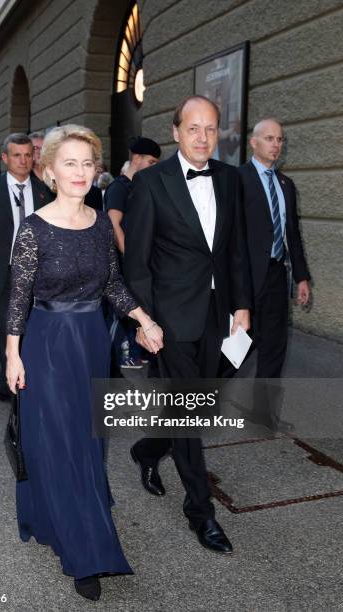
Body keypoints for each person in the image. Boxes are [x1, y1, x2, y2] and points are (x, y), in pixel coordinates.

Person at [5, 125, 163, 601]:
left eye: (87, 163)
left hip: (92, 341)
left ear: (97, 171)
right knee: (61, 444)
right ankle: (84, 551)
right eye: (69, 163)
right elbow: (18, 298)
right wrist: (13, 354)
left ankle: (57, 512)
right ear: (49, 170)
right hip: (48, 345)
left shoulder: (97, 223)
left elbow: (112, 285)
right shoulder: (33, 228)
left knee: (89, 441)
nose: (79, 171)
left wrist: (144, 319)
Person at [124, 95, 251, 554]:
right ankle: (202, 512)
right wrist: (144, 319)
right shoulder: (152, 182)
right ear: (175, 132)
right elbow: (136, 261)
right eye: (194, 128)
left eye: (212, 129)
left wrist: (241, 305)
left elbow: (234, 248)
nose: (203, 137)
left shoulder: (230, 179)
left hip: (220, 316)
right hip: (172, 319)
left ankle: (148, 449)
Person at [0, 133, 54, 402]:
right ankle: (14, 387)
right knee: (8, 331)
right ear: (5, 158)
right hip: (0, 276)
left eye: (28, 154)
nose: (23, 160)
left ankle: (18, 382)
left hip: (37, 276)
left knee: (32, 331)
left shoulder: (44, 190)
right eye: (17, 155)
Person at [236, 118, 310, 428]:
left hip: (277, 275)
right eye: (269, 138)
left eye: (279, 139)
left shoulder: (286, 185)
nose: (276, 144)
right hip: (246, 278)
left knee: (274, 346)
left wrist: (301, 277)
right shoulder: (237, 179)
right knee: (235, 347)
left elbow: (292, 234)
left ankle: (263, 414)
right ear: (254, 143)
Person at [105, 137, 161, 370]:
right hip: (123, 266)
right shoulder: (119, 187)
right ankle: (113, 363)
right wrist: (133, 259)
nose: (153, 166)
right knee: (121, 316)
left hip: (138, 264)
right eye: (151, 161)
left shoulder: (140, 185)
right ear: (136, 158)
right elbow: (114, 225)